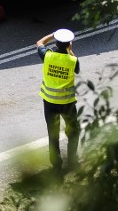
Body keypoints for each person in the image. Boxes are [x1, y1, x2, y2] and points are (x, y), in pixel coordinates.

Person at [36, 28, 80, 175]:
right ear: (69, 44)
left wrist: (53, 34)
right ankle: (72, 161)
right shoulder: (72, 60)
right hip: (67, 104)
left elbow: (40, 42)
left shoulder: (48, 56)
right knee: (73, 132)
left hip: (49, 103)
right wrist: (70, 50)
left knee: (53, 134)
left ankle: (56, 166)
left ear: (57, 42)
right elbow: (77, 69)